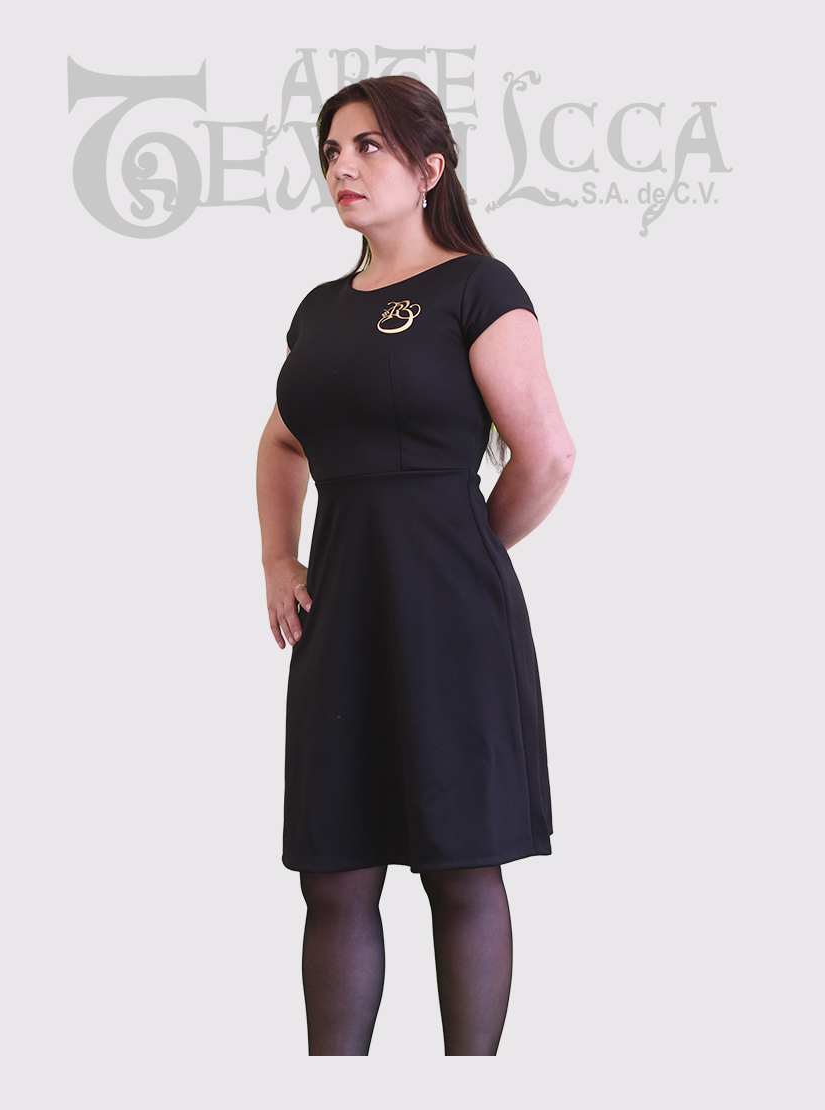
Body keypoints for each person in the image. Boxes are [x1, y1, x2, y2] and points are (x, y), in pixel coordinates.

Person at [256, 75, 575, 1056]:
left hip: (453, 621)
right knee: (335, 873)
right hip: (341, 613)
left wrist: (463, 554)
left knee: (461, 864)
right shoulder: (319, 311)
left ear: (430, 169)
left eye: (369, 147)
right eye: (332, 151)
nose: (342, 167)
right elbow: (282, 442)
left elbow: (548, 455)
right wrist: (277, 555)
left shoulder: (479, 288)